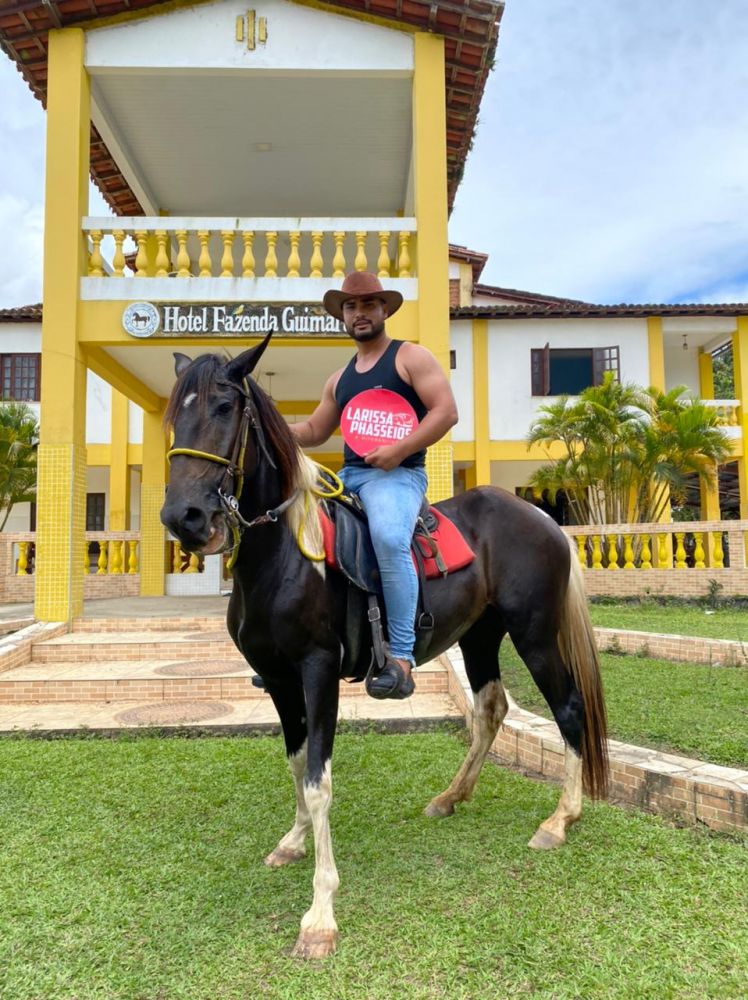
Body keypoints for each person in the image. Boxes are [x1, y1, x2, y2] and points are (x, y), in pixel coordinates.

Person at [289, 271, 458, 699]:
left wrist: (399, 451)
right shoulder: (338, 379)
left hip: (397, 475)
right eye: (351, 306)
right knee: (291, 530)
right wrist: (268, 424)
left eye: (368, 304)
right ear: (343, 316)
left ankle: (401, 656)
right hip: (349, 477)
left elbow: (445, 412)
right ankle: (294, 645)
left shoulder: (410, 358)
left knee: (386, 537)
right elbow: (313, 429)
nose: (359, 313)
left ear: (384, 310)